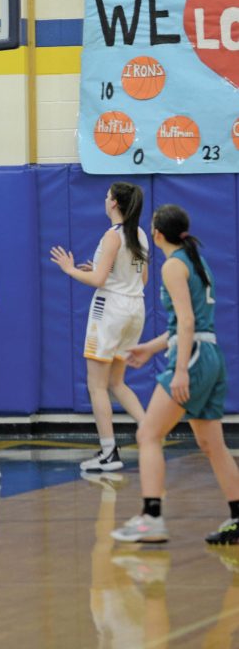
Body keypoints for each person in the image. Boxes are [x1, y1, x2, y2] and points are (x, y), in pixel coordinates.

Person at [112, 204, 239, 545]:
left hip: (193, 357)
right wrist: (151, 348)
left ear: (156, 234)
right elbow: (189, 322)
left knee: (149, 435)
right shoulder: (196, 261)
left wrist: (180, 369)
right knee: (212, 444)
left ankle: (151, 519)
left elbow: (186, 322)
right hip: (210, 354)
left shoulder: (172, 266)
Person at [50, 182, 148, 472]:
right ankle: (149, 432)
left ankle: (109, 453)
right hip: (135, 308)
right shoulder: (140, 234)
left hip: (111, 310)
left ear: (115, 203)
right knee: (116, 383)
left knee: (96, 385)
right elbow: (139, 280)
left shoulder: (112, 235)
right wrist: (97, 271)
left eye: (107, 196)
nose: (105, 200)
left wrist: (69, 270)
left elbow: (98, 281)